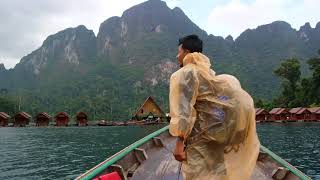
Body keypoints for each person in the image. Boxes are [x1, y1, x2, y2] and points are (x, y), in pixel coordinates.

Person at [169, 35, 260, 180]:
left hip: (198, 139)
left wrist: (180, 142)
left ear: (186, 51)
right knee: (218, 173)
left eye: (179, 52)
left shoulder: (185, 73)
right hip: (216, 137)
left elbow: (184, 112)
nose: (177, 56)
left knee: (197, 174)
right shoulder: (209, 73)